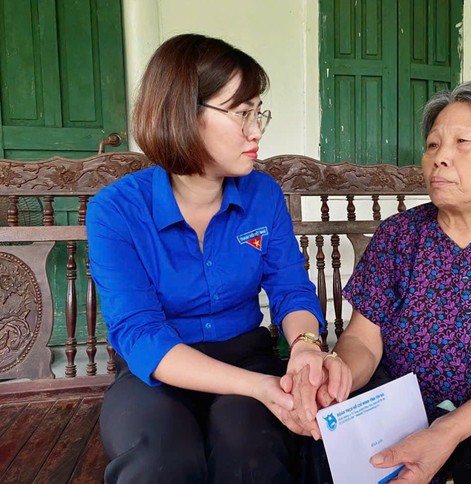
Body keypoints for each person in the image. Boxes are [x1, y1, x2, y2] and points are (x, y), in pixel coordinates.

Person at [288, 80, 471, 483]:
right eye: (432, 145)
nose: (439, 158)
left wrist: (446, 431)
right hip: (404, 403)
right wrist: (340, 377)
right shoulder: (398, 236)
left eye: (462, 142)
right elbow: (362, 339)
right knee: (330, 446)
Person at [86, 33, 347, 483]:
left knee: (251, 451)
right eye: (242, 113)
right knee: (158, 462)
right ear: (183, 115)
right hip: (159, 371)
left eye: (258, 112)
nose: (256, 131)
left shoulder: (262, 194)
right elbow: (140, 334)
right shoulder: (116, 210)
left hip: (248, 354)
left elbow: (290, 288)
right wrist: (260, 387)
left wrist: (306, 348)